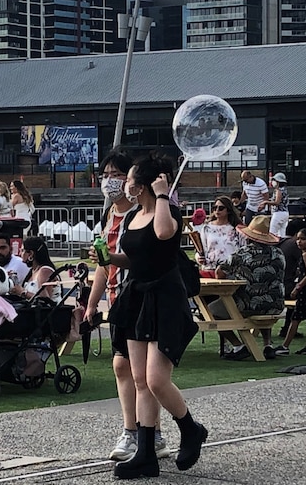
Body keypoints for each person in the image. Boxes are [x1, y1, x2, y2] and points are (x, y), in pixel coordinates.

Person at [94, 153, 204, 479]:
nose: (122, 182)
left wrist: (161, 194)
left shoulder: (164, 211)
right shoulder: (135, 215)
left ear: (141, 183)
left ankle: (190, 428)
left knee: (157, 379)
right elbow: (134, 257)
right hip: (137, 297)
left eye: (127, 177)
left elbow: (165, 234)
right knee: (140, 380)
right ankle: (145, 453)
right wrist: (110, 257)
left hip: (164, 298)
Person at [84, 147, 171, 462]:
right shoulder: (111, 215)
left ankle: (147, 433)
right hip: (118, 298)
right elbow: (105, 265)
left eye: (116, 175)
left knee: (145, 374)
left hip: (142, 298)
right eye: (105, 176)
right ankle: (138, 432)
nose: (110, 182)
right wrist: (92, 303)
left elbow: (148, 255)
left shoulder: (143, 213)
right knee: (125, 367)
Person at [214, 215, 285, 361]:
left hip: (248, 305)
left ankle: (238, 346)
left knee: (211, 312)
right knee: (266, 294)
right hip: (276, 304)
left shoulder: (241, 254)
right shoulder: (279, 254)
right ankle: (267, 345)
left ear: (248, 237)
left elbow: (219, 272)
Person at [275, 227, 306, 357]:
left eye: (303, 239)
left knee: (295, 318)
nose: (299, 242)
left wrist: (298, 287)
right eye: (298, 239)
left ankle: (285, 346)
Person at [196, 195, 244, 278]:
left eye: (221, 208)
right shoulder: (207, 228)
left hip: (232, 270)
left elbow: (243, 249)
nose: (217, 210)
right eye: (215, 208)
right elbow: (202, 249)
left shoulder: (237, 228)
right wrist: (198, 258)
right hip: (210, 268)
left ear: (228, 210)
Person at [20, 236, 61, 302]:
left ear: (31, 253)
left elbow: (45, 301)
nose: (20, 254)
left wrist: (23, 292)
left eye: (22, 250)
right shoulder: (33, 271)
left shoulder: (45, 271)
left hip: (50, 312)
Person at [261, 172, 289, 237]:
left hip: (278, 213)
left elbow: (277, 202)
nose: (273, 182)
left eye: (275, 180)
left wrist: (266, 202)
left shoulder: (278, 190)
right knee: (282, 234)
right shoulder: (284, 190)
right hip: (285, 213)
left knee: (272, 233)